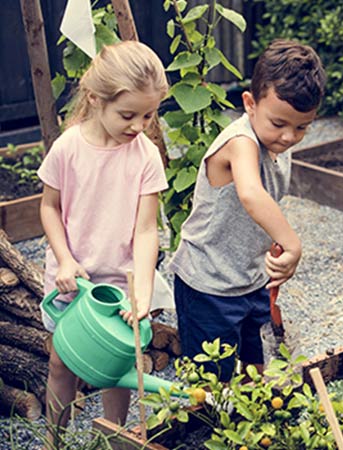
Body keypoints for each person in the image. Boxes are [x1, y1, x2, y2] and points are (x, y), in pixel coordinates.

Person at [169, 39, 326, 381]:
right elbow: (252, 195)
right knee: (212, 382)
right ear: (250, 104)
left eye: (301, 127)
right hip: (208, 284)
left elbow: (264, 204)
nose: (288, 137)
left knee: (257, 366)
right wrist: (293, 244)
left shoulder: (277, 142)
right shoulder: (240, 142)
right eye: (279, 123)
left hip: (249, 279)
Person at [37, 40, 169, 442]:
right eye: (128, 115)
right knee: (61, 365)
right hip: (72, 278)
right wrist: (64, 259)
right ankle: (53, 441)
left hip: (119, 281)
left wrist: (142, 294)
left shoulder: (145, 155)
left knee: (117, 368)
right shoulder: (68, 148)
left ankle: (112, 438)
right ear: (95, 99)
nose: (138, 126)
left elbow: (147, 230)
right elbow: (49, 209)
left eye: (148, 115)